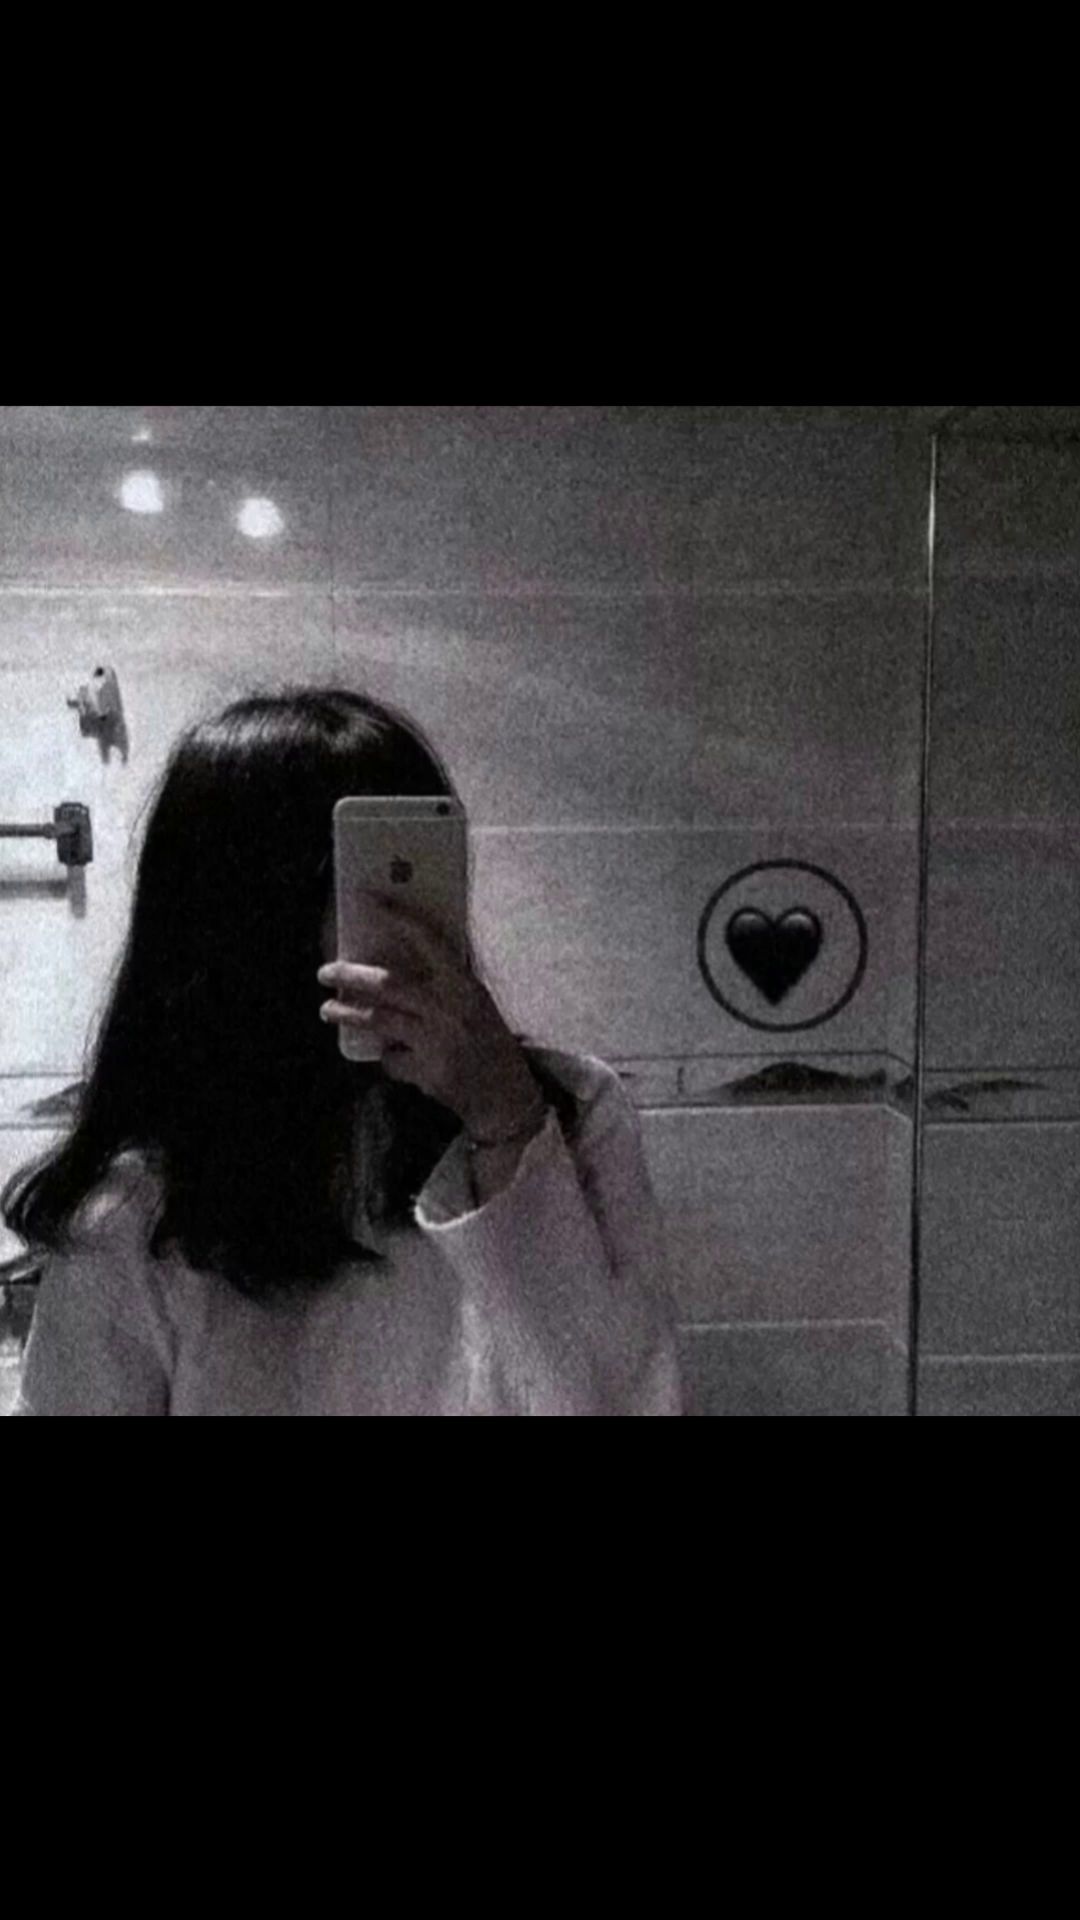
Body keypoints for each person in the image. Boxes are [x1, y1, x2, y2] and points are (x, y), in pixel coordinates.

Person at [2, 686, 682, 1416]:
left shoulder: (570, 1113)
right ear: (237, 920)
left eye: (407, 869)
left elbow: (629, 1406)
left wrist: (506, 1122)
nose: (382, 917)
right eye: (336, 884)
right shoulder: (135, 1206)